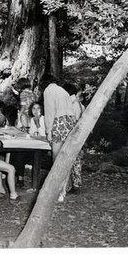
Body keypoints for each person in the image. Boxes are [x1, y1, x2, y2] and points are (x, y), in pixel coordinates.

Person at [41, 74, 76, 202]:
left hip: (58, 122)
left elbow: (50, 112)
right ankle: (62, 191)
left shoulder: (48, 90)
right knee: (64, 158)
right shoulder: (63, 91)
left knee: (56, 159)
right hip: (70, 122)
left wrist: (48, 131)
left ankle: (56, 191)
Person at [61, 82, 86, 193]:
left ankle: (75, 185)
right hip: (79, 136)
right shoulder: (80, 104)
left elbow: (72, 121)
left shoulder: (72, 105)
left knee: (74, 160)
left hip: (73, 135)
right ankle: (75, 184)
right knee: (76, 160)